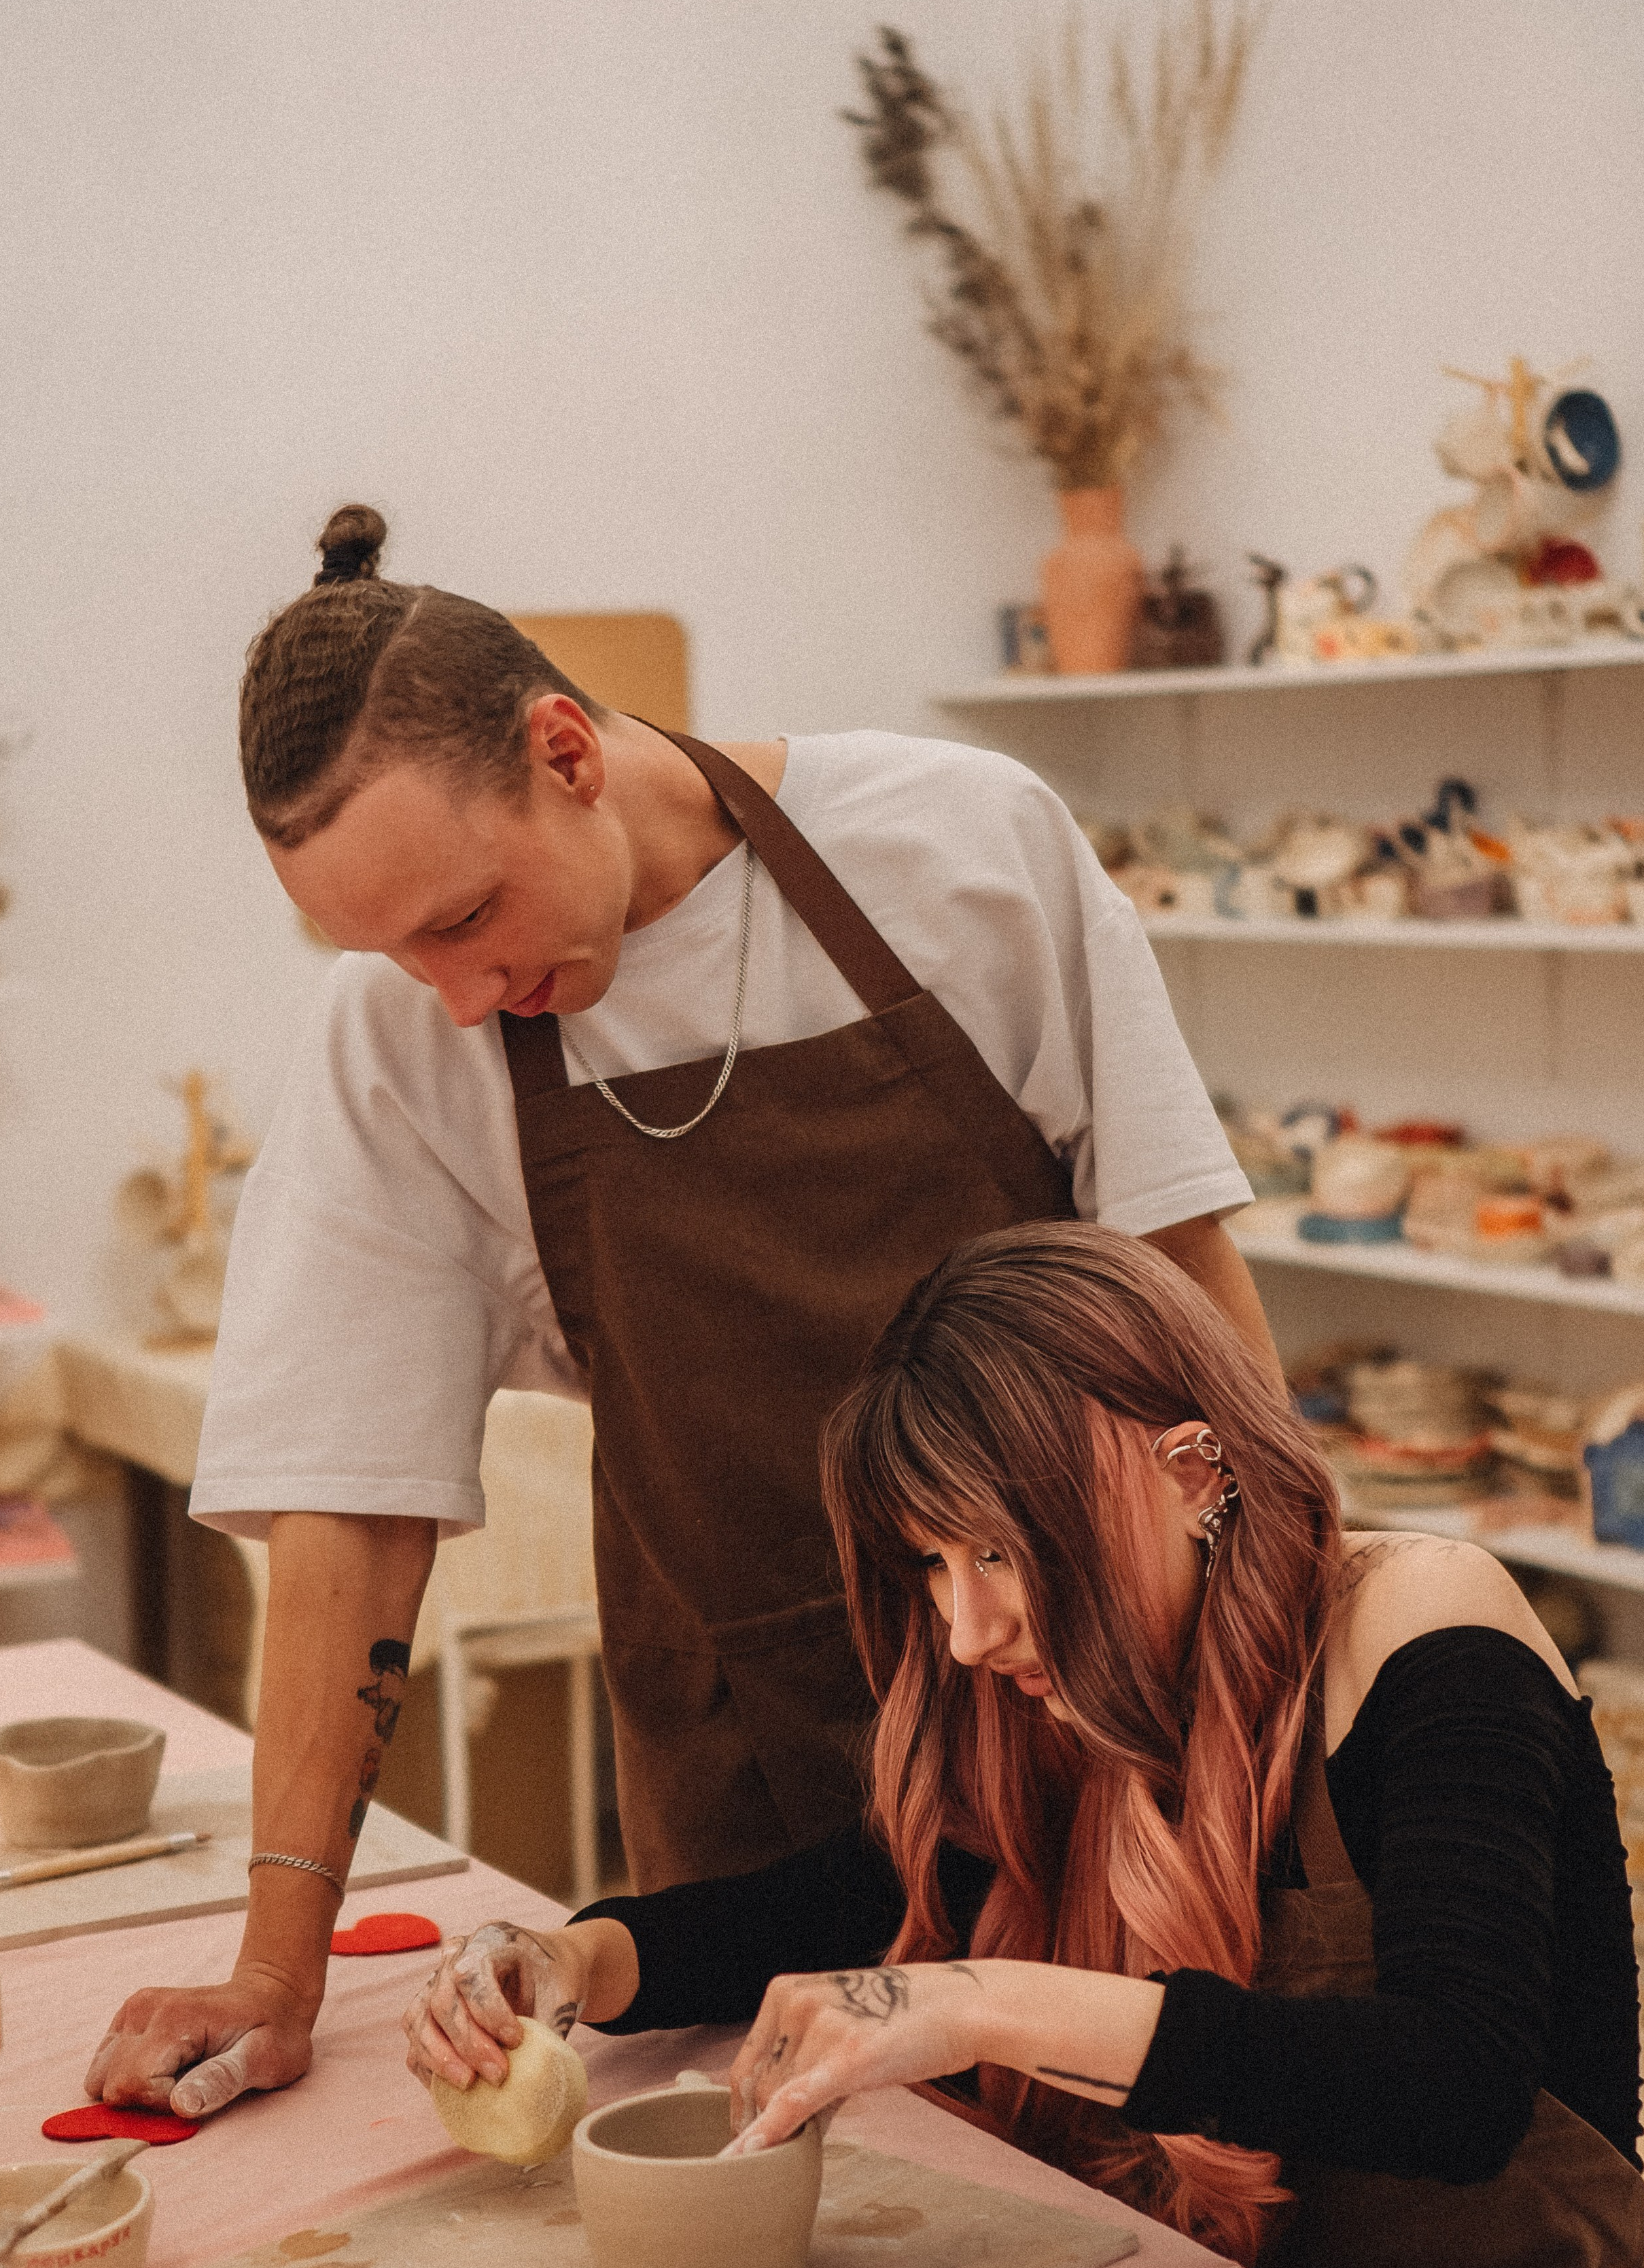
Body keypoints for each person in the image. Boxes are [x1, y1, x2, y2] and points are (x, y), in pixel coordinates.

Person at [86, 503, 1268, 2123]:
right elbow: (350, 1516)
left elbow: (1183, 1284)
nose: (446, 993)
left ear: (563, 749)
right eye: (384, 952)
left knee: (1173, 2207)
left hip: (1096, 1703)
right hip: (760, 1781)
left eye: (458, 919)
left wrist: (1288, 1702)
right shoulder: (402, 1049)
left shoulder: (960, 848)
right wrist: (276, 1973)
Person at [403, 1223, 1644, 2268]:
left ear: (1195, 1470)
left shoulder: (1422, 1632)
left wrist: (986, 2003)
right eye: (936, 1563)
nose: (965, 1629)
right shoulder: (1066, 1688)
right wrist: (571, 1962)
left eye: (1001, 1550)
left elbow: (1456, 2082)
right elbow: (839, 1902)